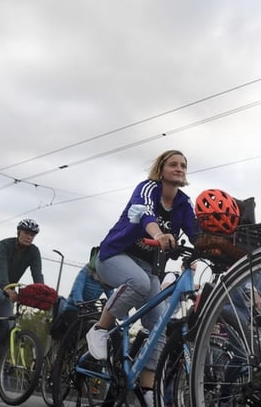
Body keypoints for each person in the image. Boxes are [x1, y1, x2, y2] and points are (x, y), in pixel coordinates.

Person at [85, 150, 202, 407]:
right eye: (173, 164)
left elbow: (195, 232)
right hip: (114, 256)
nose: (179, 168)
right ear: (161, 169)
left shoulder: (183, 203)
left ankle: (147, 389)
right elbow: (146, 213)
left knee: (158, 325)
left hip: (148, 269)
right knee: (137, 282)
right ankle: (100, 329)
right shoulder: (147, 188)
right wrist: (159, 235)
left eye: (183, 165)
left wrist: (210, 248)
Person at [0, 218, 44, 359]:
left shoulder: (34, 252)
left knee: (9, 326)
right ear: (19, 232)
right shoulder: (4, 245)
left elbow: (37, 273)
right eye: (26, 232)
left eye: (32, 235)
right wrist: (6, 287)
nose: (29, 237)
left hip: (7, 290)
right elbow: (0, 267)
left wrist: (42, 293)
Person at [54, 247, 112, 341]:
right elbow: (77, 288)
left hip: (90, 310)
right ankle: (63, 352)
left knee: (102, 329)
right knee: (77, 331)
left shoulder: (106, 277)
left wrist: (120, 310)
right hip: (73, 307)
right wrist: (80, 303)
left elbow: (112, 295)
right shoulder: (86, 270)